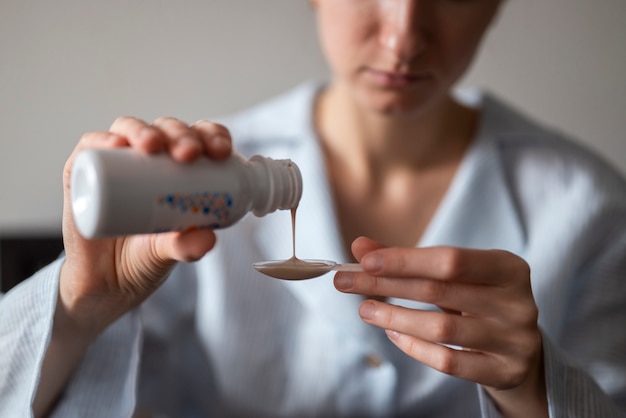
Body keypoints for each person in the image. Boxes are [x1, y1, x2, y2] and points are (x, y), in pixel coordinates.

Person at [1, 0, 625, 416]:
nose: (403, 34)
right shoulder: (191, 183)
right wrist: (83, 306)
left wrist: (534, 386)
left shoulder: (588, 204)